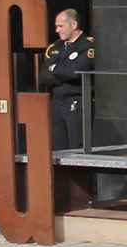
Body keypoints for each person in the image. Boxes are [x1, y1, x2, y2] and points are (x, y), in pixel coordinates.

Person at [39, 8, 96, 152]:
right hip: (57, 102)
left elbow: (75, 72)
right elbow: (43, 76)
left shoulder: (87, 45)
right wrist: (61, 72)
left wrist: (55, 69)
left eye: (60, 26)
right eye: (56, 26)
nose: (57, 30)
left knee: (77, 146)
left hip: (76, 102)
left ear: (73, 25)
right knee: (58, 146)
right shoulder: (55, 48)